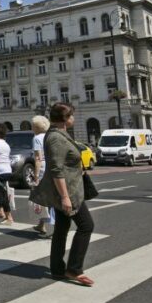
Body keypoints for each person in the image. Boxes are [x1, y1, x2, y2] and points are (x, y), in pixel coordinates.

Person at [31, 103, 95, 287]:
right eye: (72, 115)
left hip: (69, 188)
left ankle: (57, 269)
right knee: (86, 225)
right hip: (68, 191)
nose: (73, 118)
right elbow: (56, 170)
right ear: (65, 118)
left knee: (62, 227)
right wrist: (65, 197)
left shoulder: (59, 135)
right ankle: (74, 268)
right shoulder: (56, 138)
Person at [31, 115, 54, 237]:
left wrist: (36, 175)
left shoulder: (37, 138)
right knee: (48, 197)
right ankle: (41, 225)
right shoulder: (49, 136)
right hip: (52, 166)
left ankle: (51, 226)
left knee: (43, 198)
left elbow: (38, 158)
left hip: (43, 168)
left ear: (36, 127)